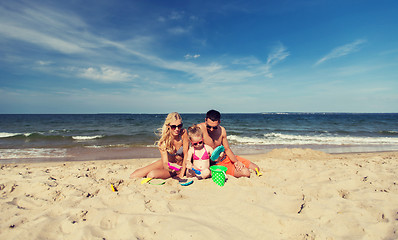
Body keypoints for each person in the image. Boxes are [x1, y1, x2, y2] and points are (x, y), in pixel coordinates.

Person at [198, 110, 260, 178]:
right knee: (246, 172)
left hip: (224, 157)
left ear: (219, 122)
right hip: (213, 164)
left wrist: (236, 162)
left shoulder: (222, 130)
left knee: (255, 168)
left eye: (215, 127)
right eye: (209, 126)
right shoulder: (200, 129)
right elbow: (194, 149)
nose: (211, 129)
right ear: (205, 120)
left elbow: (227, 149)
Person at [130, 112, 189, 179]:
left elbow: (186, 154)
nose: (177, 129)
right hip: (168, 165)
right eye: (173, 127)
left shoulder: (183, 133)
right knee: (134, 175)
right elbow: (165, 163)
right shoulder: (163, 141)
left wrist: (182, 172)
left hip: (180, 166)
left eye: (179, 126)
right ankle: (142, 171)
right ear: (168, 126)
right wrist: (169, 168)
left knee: (151, 174)